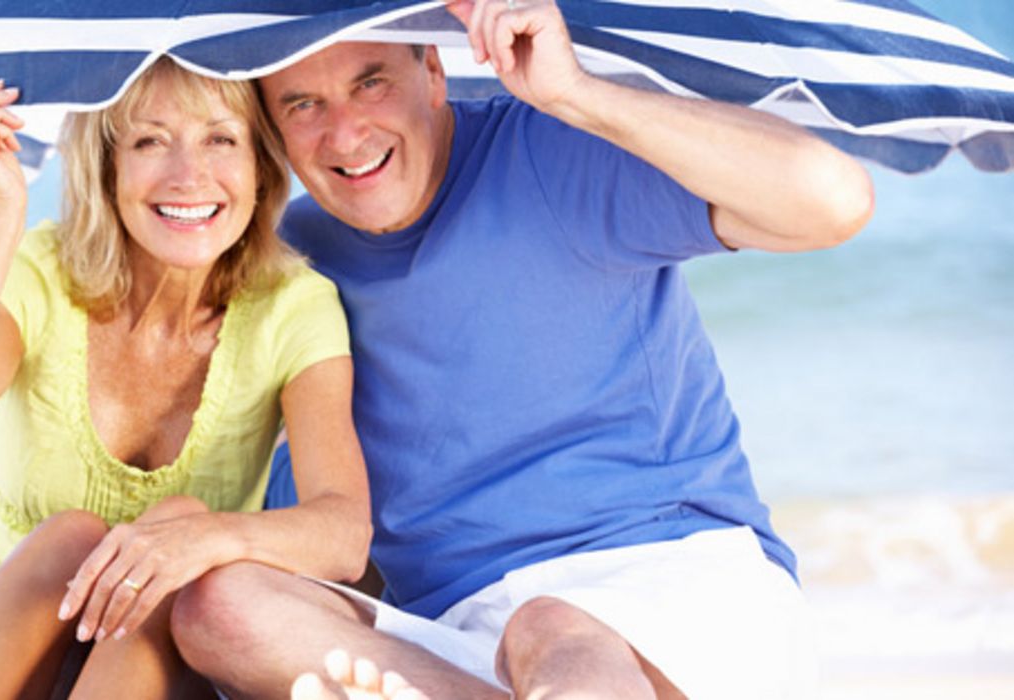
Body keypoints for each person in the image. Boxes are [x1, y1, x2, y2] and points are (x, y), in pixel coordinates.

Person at [170, 1, 875, 699]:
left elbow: (832, 200)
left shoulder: (552, 150)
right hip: (457, 641)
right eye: (301, 105)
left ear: (434, 73)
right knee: (220, 608)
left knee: (549, 628)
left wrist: (578, 95)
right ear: (272, 135)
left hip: (676, 587)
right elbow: (324, 530)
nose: (345, 133)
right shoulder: (290, 267)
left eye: (370, 82)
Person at [0, 56, 372, 699]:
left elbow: (343, 537)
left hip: (164, 669)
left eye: (221, 139)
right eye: (150, 141)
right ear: (107, 169)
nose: (189, 176)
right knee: (73, 539)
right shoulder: (42, 272)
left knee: (177, 527)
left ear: (259, 166)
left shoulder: (293, 307)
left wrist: (201, 538)